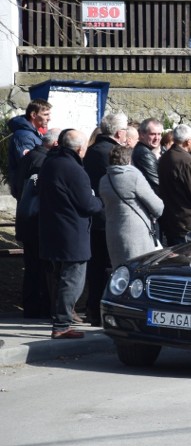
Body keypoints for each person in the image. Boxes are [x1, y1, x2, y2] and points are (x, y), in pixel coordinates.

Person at [38, 129, 103, 339]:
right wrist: (99, 201)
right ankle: (62, 324)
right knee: (72, 279)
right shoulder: (74, 169)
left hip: (53, 228)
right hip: (71, 232)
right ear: (79, 148)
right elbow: (87, 204)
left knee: (60, 277)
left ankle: (60, 319)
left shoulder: (50, 162)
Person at [83, 113, 128, 325]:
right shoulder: (112, 152)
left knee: (96, 266)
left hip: (95, 216)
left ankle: (93, 309)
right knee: (109, 267)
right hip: (109, 215)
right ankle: (103, 311)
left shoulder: (92, 150)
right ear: (119, 133)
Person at [14, 128, 60, 318]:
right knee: (40, 269)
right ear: (56, 144)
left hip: (26, 221)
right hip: (37, 222)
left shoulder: (30, 156)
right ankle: (39, 306)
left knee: (32, 267)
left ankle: (31, 306)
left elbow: (16, 188)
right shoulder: (43, 161)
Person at [99, 145, 164, 265]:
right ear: (129, 160)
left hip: (112, 232)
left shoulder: (104, 180)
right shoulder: (134, 176)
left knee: (120, 271)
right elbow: (157, 207)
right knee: (139, 269)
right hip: (136, 234)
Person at [6, 99, 51, 197]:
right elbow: (29, 164)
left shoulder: (33, 134)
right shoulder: (24, 136)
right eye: (45, 114)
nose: (49, 118)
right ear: (34, 115)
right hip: (28, 190)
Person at [132, 118, 163, 193]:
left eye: (159, 134)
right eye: (153, 134)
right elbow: (156, 183)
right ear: (142, 134)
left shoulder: (145, 151)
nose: (157, 138)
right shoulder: (145, 154)